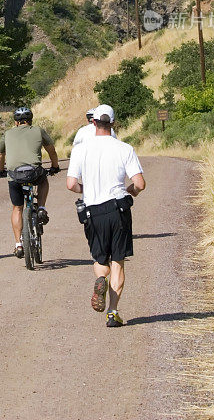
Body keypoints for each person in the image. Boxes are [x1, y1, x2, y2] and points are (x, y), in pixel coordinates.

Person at [66, 104, 145, 327]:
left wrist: (87, 189)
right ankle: (113, 312)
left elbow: (71, 184)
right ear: (113, 123)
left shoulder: (81, 149)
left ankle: (100, 278)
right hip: (118, 208)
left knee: (100, 258)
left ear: (93, 123)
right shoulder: (124, 148)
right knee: (118, 261)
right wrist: (130, 191)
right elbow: (140, 183)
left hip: (93, 211)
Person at [0, 107, 60, 258]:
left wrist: (1, 170)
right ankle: (42, 207)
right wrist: (55, 166)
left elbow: (0, 155)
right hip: (33, 173)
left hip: (14, 175)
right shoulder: (38, 130)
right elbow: (51, 150)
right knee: (43, 180)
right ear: (30, 120)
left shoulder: (7, 134)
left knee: (17, 208)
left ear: (15, 122)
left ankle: (18, 244)